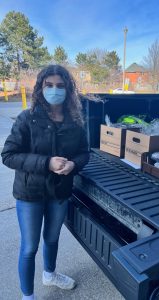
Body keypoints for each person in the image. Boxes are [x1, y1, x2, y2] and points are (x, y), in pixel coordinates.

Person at [1, 65, 90, 300]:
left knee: (52, 239)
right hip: (30, 193)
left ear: (68, 89)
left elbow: (84, 152)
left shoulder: (76, 120)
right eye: (49, 85)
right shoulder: (27, 118)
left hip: (59, 193)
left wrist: (74, 165)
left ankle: (49, 274)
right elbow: (8, 155)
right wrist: (46, 163)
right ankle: (27, 296)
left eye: (60, 86)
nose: (54, 90)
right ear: (41, 88)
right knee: (29, 248)